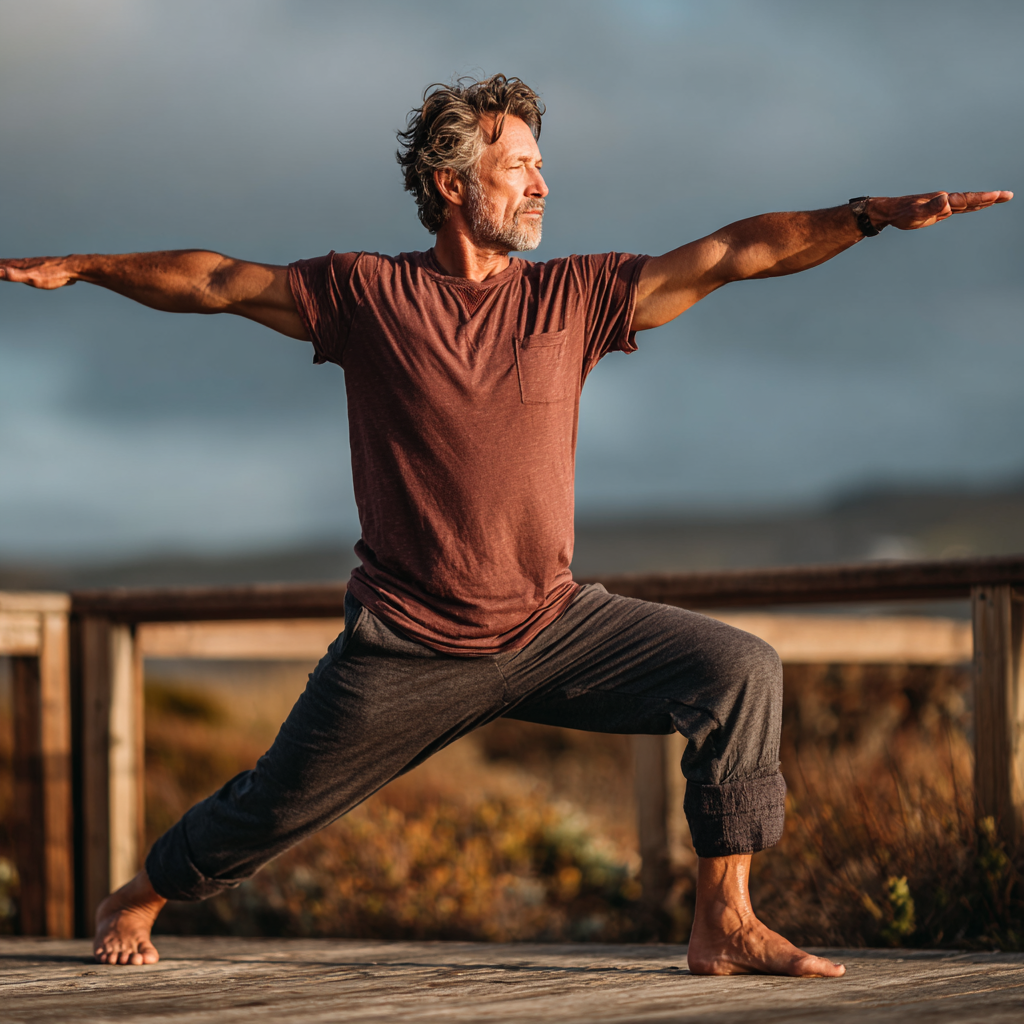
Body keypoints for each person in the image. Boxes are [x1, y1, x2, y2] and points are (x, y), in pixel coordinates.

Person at [0, 74, 1010, 976]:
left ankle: (725, 921)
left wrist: (862, 217)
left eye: (540, 166)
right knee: (272, 802)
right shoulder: (369, 294)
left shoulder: (576, 297)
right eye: (518, 166)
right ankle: (140, 893)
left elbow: (731, 254)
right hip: (408, 643)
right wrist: (87, 264)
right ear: (451, 183)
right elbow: (219, 281)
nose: (539, 185)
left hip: (552, 624)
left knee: (739, 669)